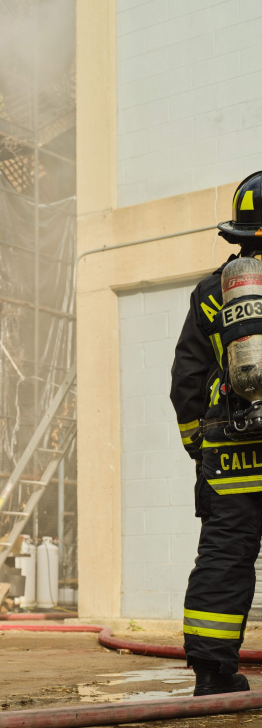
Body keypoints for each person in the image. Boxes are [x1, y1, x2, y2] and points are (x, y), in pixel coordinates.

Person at [171, 170, 262, 696]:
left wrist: (196, 445)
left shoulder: (211, 293)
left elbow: (186, 379)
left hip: (229, 448)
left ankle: (212, 673)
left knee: (225, 555)